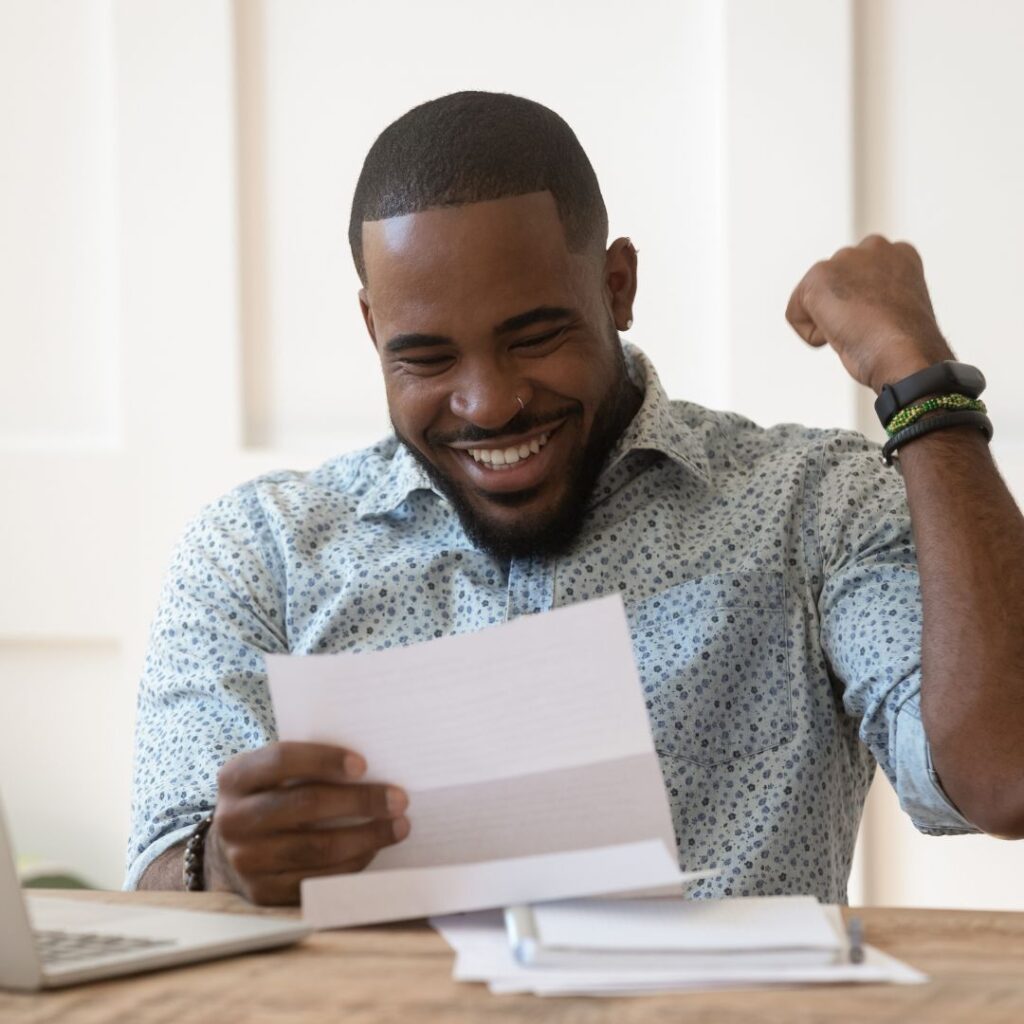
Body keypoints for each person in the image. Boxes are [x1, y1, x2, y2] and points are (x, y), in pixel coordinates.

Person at [127, 91, 1024, 905]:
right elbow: (161, 876)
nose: (488, 402)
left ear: (617, 286)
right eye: (426, 357)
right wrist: (227, 865)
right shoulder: (262, 553)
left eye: (535, 336)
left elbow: (1004, 773)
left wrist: (922, 385)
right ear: (373, 327)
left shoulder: (814, 505)